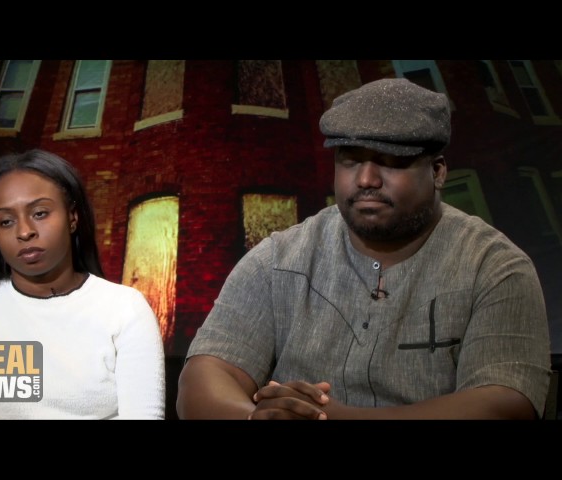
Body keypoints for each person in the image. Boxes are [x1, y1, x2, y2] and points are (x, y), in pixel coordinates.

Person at [176, 78, 552, 420]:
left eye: (391, 162)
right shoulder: (279, 260)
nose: (367, 179)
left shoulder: (495, 267)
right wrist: (258, 418)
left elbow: (505, 404)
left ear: (437, 172)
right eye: (351, 160)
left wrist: (332, 419)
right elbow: (205, 378)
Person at [0, 149, 165, 419]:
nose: (24, 232)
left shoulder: (125, 308)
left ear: (72, 217)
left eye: (40, 213)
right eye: (5, 221)